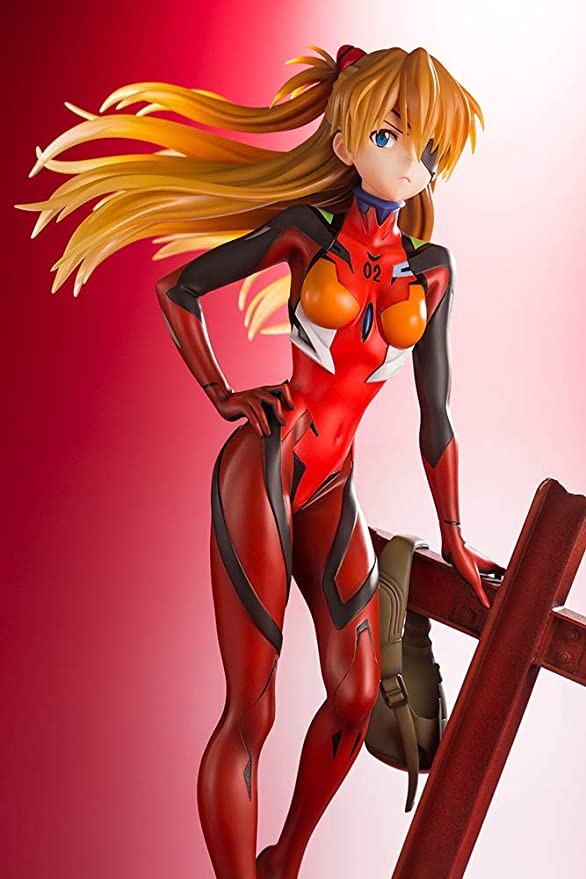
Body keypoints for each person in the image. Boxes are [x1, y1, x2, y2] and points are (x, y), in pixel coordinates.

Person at [16, 43, 504, 878]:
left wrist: (453, 536)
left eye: (429, 149)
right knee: (253, 711)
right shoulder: (304, 233)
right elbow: (179, 290)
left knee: (356, 698)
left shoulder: (431, 271)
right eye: (390, 136)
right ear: (347, 141)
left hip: (334, 484)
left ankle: (285, 862)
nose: (411, 162)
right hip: (269, 465)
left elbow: (437, 416)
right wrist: (222, 394)